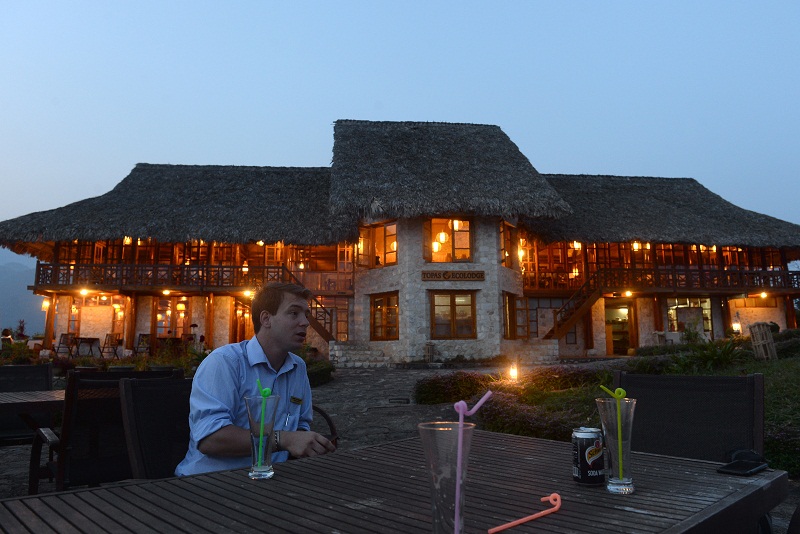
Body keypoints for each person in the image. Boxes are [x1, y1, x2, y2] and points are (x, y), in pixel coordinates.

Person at [175, 282, 336, 476]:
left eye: (306, 315)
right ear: (266, 319)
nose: (305, 322)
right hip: (208, 484)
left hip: (269, 482)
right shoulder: (225, 362)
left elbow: (300, 423)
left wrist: (307, 443)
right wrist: (283, 440)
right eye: (294, 313)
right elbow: (210, 439)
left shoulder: (298, 367)